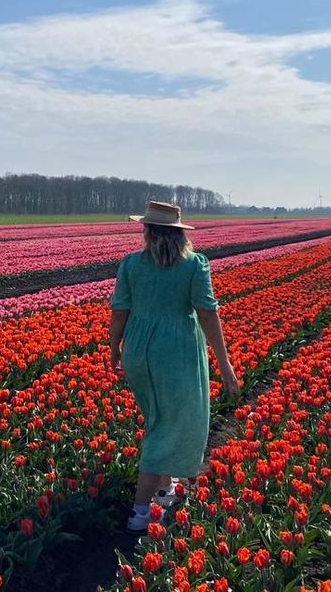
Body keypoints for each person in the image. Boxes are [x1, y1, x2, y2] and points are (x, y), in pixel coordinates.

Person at [107, 201, 239, 533]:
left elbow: (120, 309)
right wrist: (224, 363)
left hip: (138, 351)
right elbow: (207, 313)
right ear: (180, 234)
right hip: (176, 353)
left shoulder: (131, 265)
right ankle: (140, 512)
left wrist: (114, 347)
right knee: (173, 426)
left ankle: (166, 491)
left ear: (148, 231)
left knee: (158, 419)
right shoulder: (193, 266)